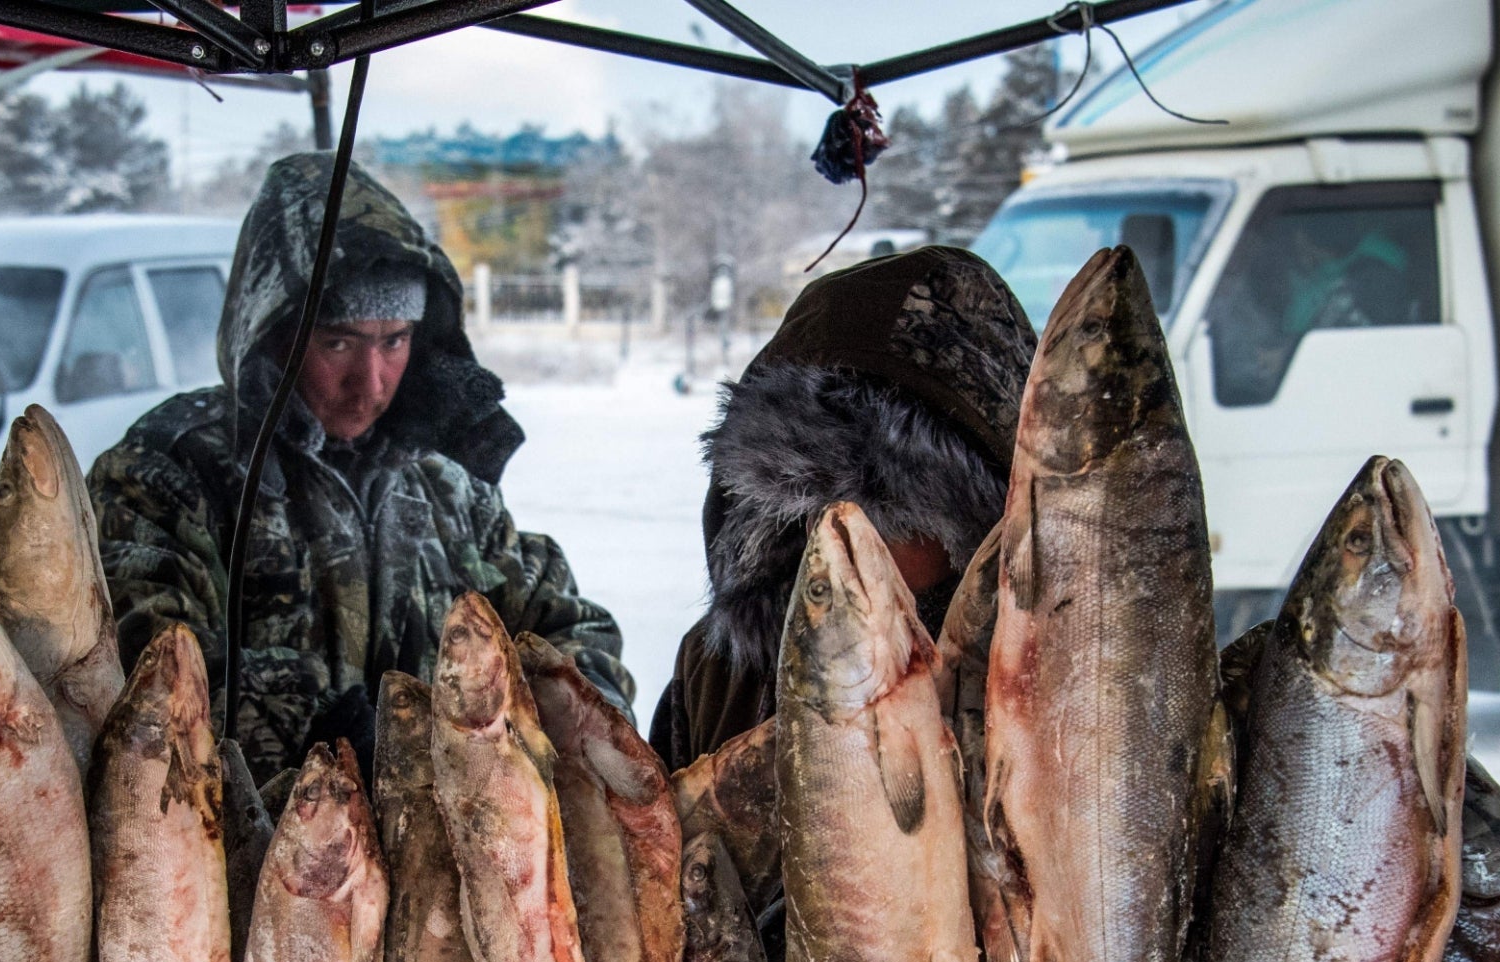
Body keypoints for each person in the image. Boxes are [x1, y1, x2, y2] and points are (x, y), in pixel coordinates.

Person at [89, 154, 631, 778]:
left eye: (395, 340)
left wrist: (583, 724)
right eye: (338, 342)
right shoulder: (169, 475)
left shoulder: (447, 491)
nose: (369, 381)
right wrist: (329, 733)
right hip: (235, 856)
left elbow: (565, 627)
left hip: (439, 857)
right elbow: (143, 677)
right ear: (273, 336)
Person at [649, 245, 1039, 772]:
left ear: (983, 527)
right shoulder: (722, 676)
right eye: (798, 508)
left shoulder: (1062, 695)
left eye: (884, 515)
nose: (832, 543)